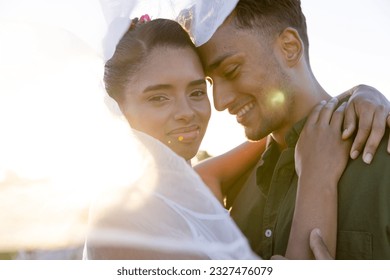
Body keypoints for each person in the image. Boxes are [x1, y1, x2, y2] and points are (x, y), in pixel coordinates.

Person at [84, 16, 387, 260]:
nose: (194, 110)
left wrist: (360, 94)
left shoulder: (204, 185)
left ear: (290, 47)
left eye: (197, 91)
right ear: (116, 109)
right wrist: (317, 178)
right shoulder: (119, 224)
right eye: (159, 98)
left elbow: (277, 139)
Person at [196, 0, 390, 259]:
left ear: (289, 47)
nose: (219, 102)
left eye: (231, 71)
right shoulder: (234, 188)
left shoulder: (382, 154)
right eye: (210, 82)